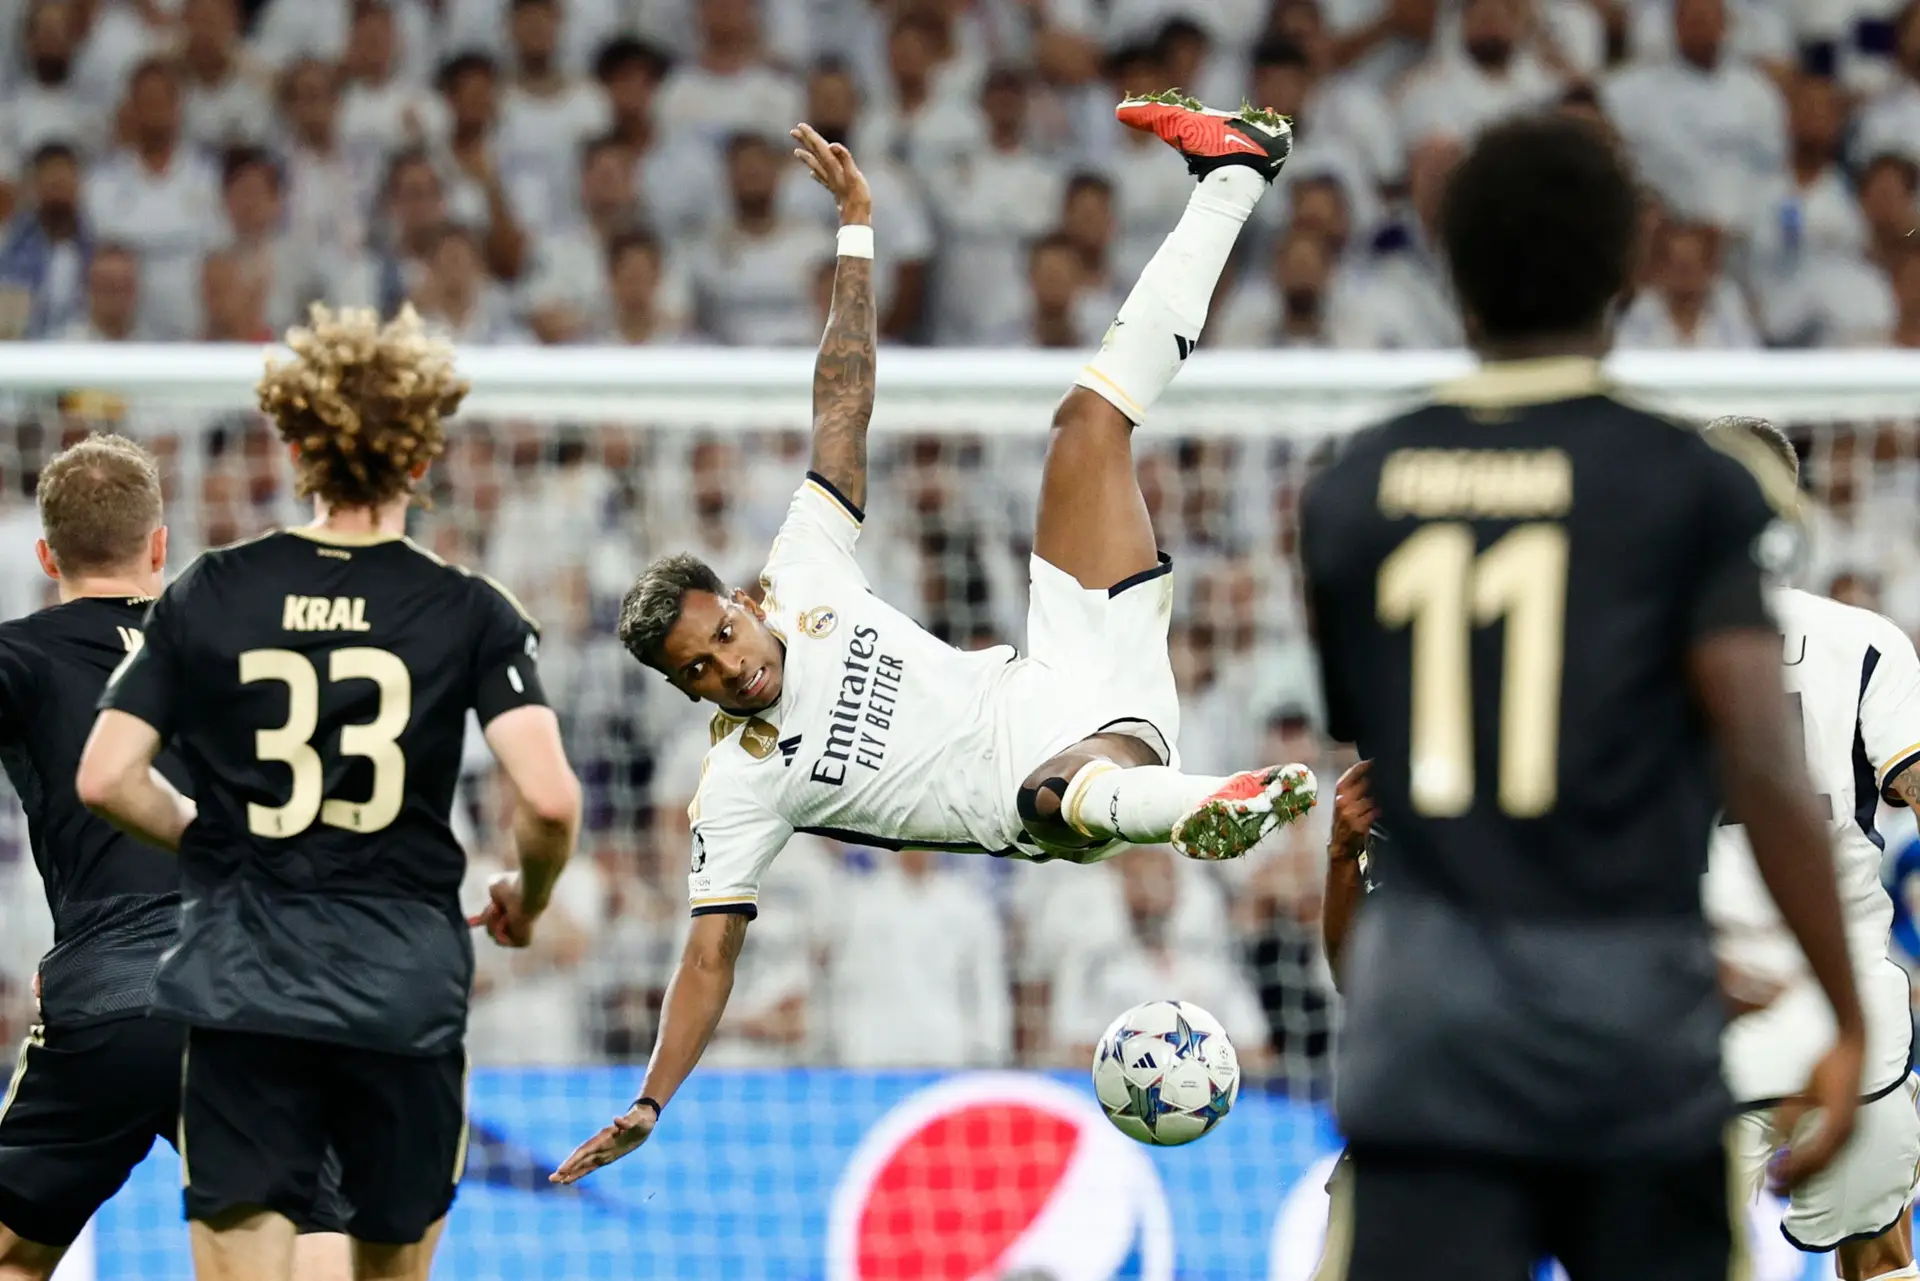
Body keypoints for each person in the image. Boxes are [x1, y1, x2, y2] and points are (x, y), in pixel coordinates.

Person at [552, 100, 1312, 1185]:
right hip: (1060, 793)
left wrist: (856, 225)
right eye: (701, 671)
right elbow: (709, 954)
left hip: (1068, 663)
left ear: (746, 599)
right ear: (687, 692)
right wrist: (650, 1099)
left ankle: (1234, 175)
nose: (729, 663)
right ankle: (1205, 811)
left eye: (722, 632)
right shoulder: (738, 790)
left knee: (1088, 426)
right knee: (1057, 798)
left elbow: (843, 400)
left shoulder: (804, 571)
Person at [1298, 112, 1865, 1281]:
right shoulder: (1686, 486)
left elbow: (1398, 759)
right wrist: (1845, 1013)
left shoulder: (1353, 490)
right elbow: (1760, 764)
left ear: (1452, 272)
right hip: (1632, 1037)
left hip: (1433, 1042)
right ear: (1628, 266)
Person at [74, 306, 583, 1281]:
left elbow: (104, 775)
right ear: (421, 455)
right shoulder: (469, 609)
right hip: (403, 995)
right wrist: (531, 891)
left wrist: (206, 836)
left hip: (241, 987)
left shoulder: (211, 587)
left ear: (296, 444)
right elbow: (551, 801)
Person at [0, 437, 350, 1281]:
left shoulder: (20, 655)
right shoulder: (252, 654)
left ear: (47, 555)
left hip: (109, 996)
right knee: (311, 1242)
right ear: (161, 544)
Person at [1703, 415, 1920, 1281]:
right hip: (1849, 1018)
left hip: (1697, 1017)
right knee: (1881, 1249)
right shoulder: (1862, 640)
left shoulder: (1620, 650)